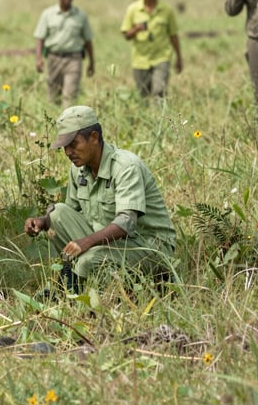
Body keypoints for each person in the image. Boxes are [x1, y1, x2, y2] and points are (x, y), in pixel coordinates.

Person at [24, 105, 176, 290]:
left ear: (94, 137)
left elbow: (127, 222)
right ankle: (76, 283)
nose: (68, 152)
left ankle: (122, 291)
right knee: (57, 213)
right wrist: (41, 221)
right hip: (109, 245)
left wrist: (86, 243)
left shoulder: (126, 167)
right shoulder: (78, 168)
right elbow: (69, 211)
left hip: (147, 246)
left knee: (89, 260)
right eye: (65, 147)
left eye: (73, 145)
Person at [120, 0, 182, 99]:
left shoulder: (166, 10)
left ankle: (159, 118)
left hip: (161, 58)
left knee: (159, 91)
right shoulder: (133, 9)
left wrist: (179, 57)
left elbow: (173, 35)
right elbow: (126, 35)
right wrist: (136, 29)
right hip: (140, 60)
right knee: (143, 94)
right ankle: (147, 117)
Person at [34, 0, 95, 107]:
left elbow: (88, 40)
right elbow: (40, 38)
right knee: (53, 96)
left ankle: (69, 124)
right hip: (54, 58)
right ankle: (55, 122)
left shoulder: (80, 15)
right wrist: (39, 59)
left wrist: (92, 62)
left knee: (70, 97)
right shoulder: (48, 14)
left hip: (74, 59)